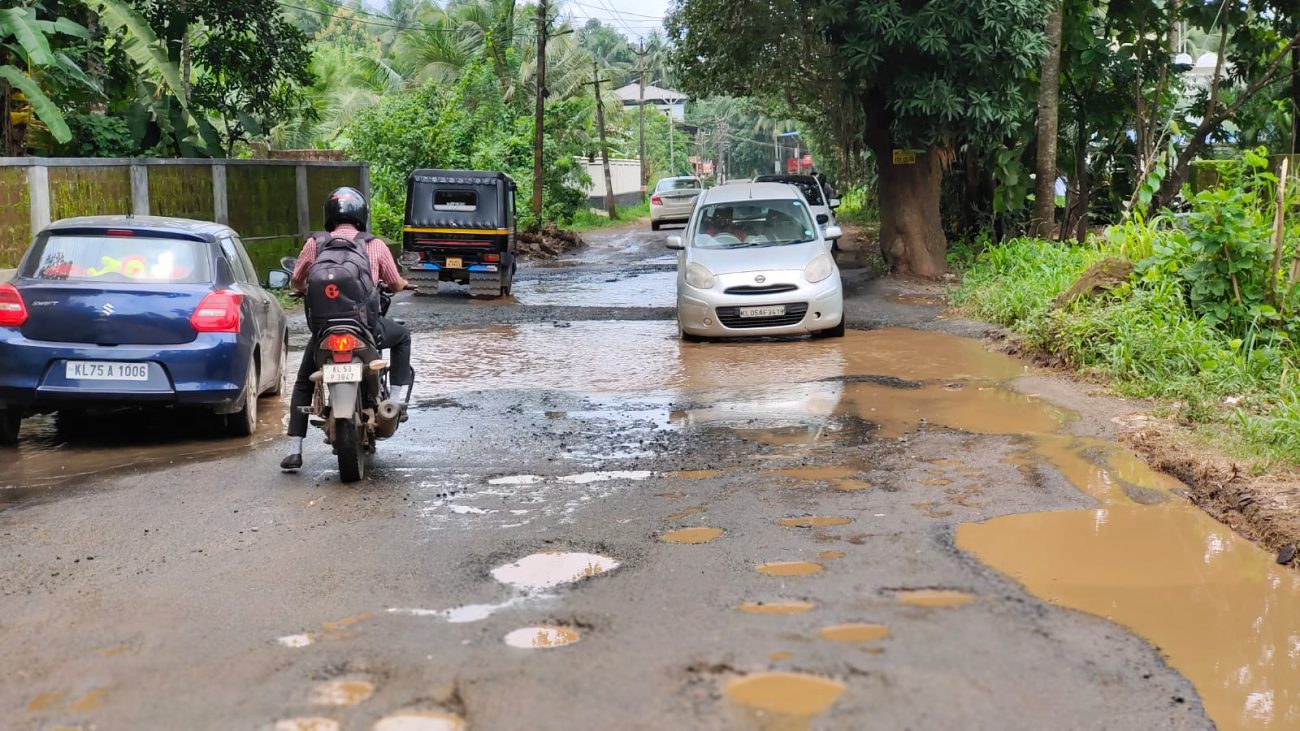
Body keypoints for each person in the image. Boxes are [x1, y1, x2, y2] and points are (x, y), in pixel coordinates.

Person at [280, 187, 411, 471]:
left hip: (325, 333)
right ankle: (396, 400)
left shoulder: (315, 244)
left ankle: (295, 448)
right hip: (365, 330)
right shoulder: (374, 245)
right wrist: (401, 284)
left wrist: (302, 289)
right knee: (402, 337)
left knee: (304, 380)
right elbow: (396, 282)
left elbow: (298, 280)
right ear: (361, 215)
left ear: (329, 215)